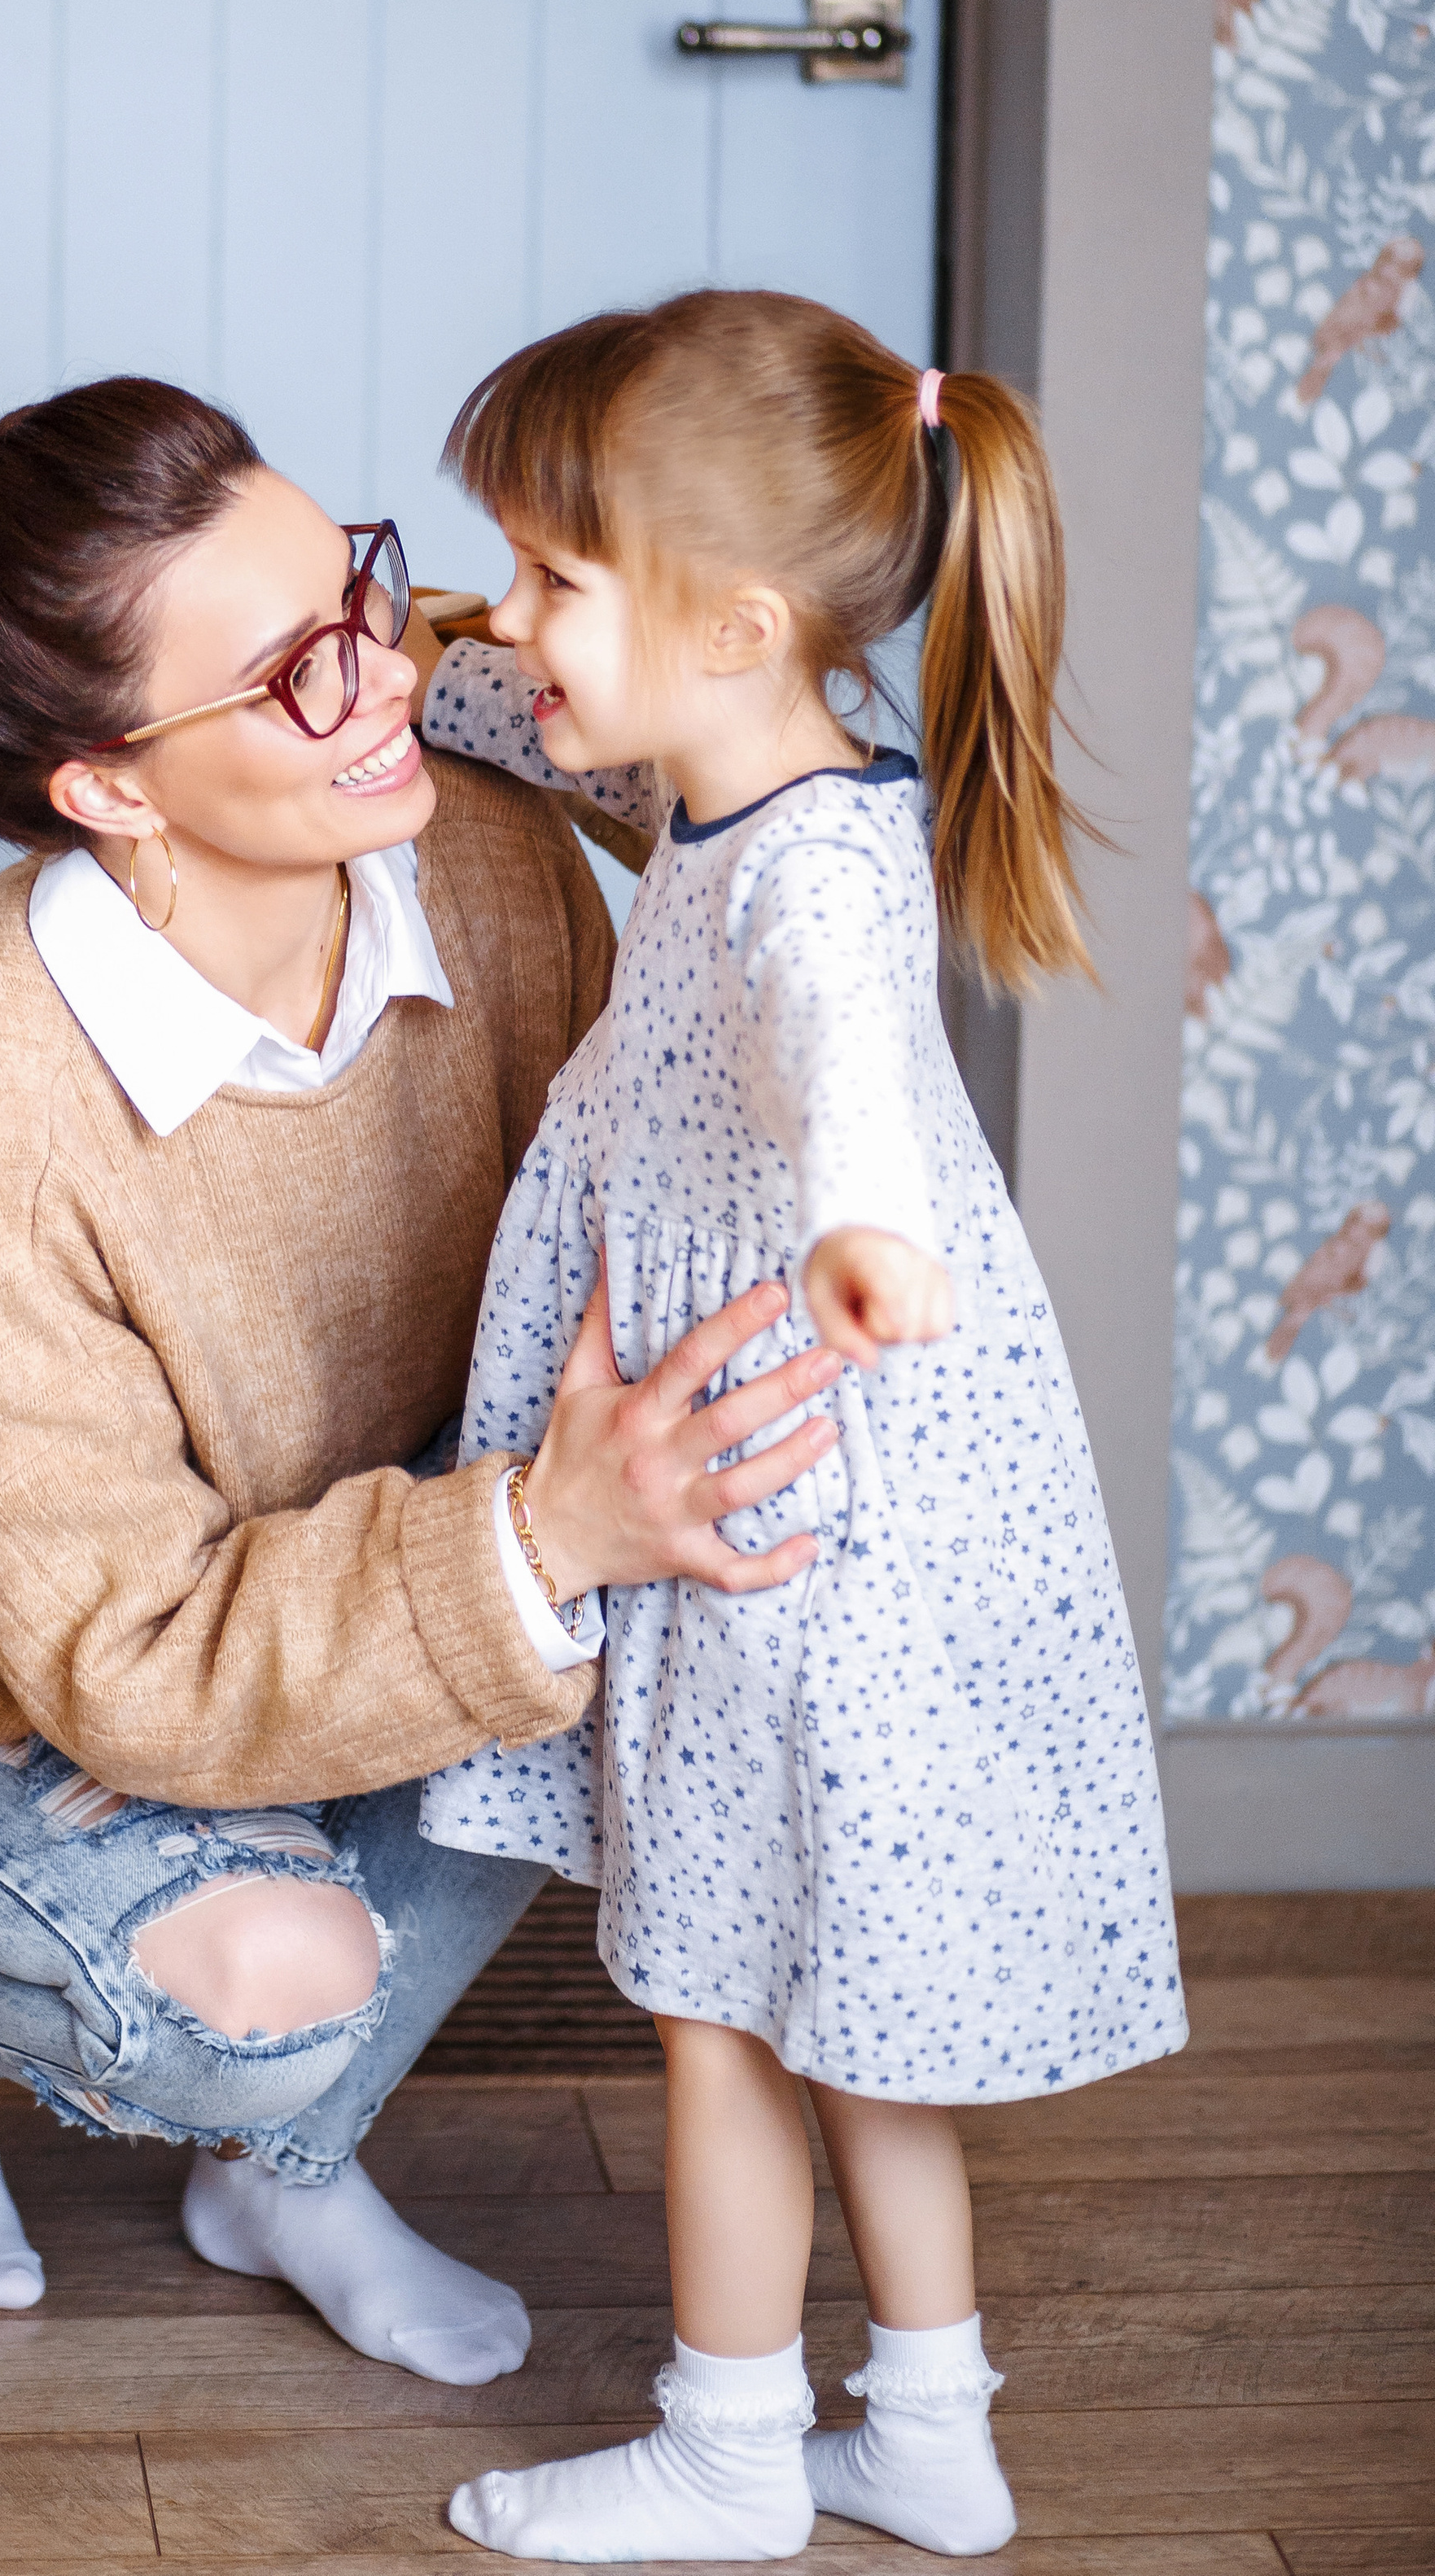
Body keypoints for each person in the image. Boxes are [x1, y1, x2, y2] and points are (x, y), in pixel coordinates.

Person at [0, 350, 841, 2381]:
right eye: (302, 669)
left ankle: (284, 2169)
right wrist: (543, 1532)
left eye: (366, 593)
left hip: (281, 1597)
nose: (388, 675)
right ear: (109, 784)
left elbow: (768, 769)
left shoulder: (478, 864)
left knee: (612, 1617)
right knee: (264, 1979)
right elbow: (122, 1658)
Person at [406, 291, 1184, 2559]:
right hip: (836, 1506)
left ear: (734, 622)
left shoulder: (813, 875)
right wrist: (386, 643)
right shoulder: (736, 772)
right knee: (854, 1993)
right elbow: (523, 719)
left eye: (560, 579)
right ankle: (932, 2432)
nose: (521, 622)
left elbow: (843, 1038)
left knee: (722, 2004)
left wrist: (858, 1226)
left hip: (788, 1510)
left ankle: (734, 2452)